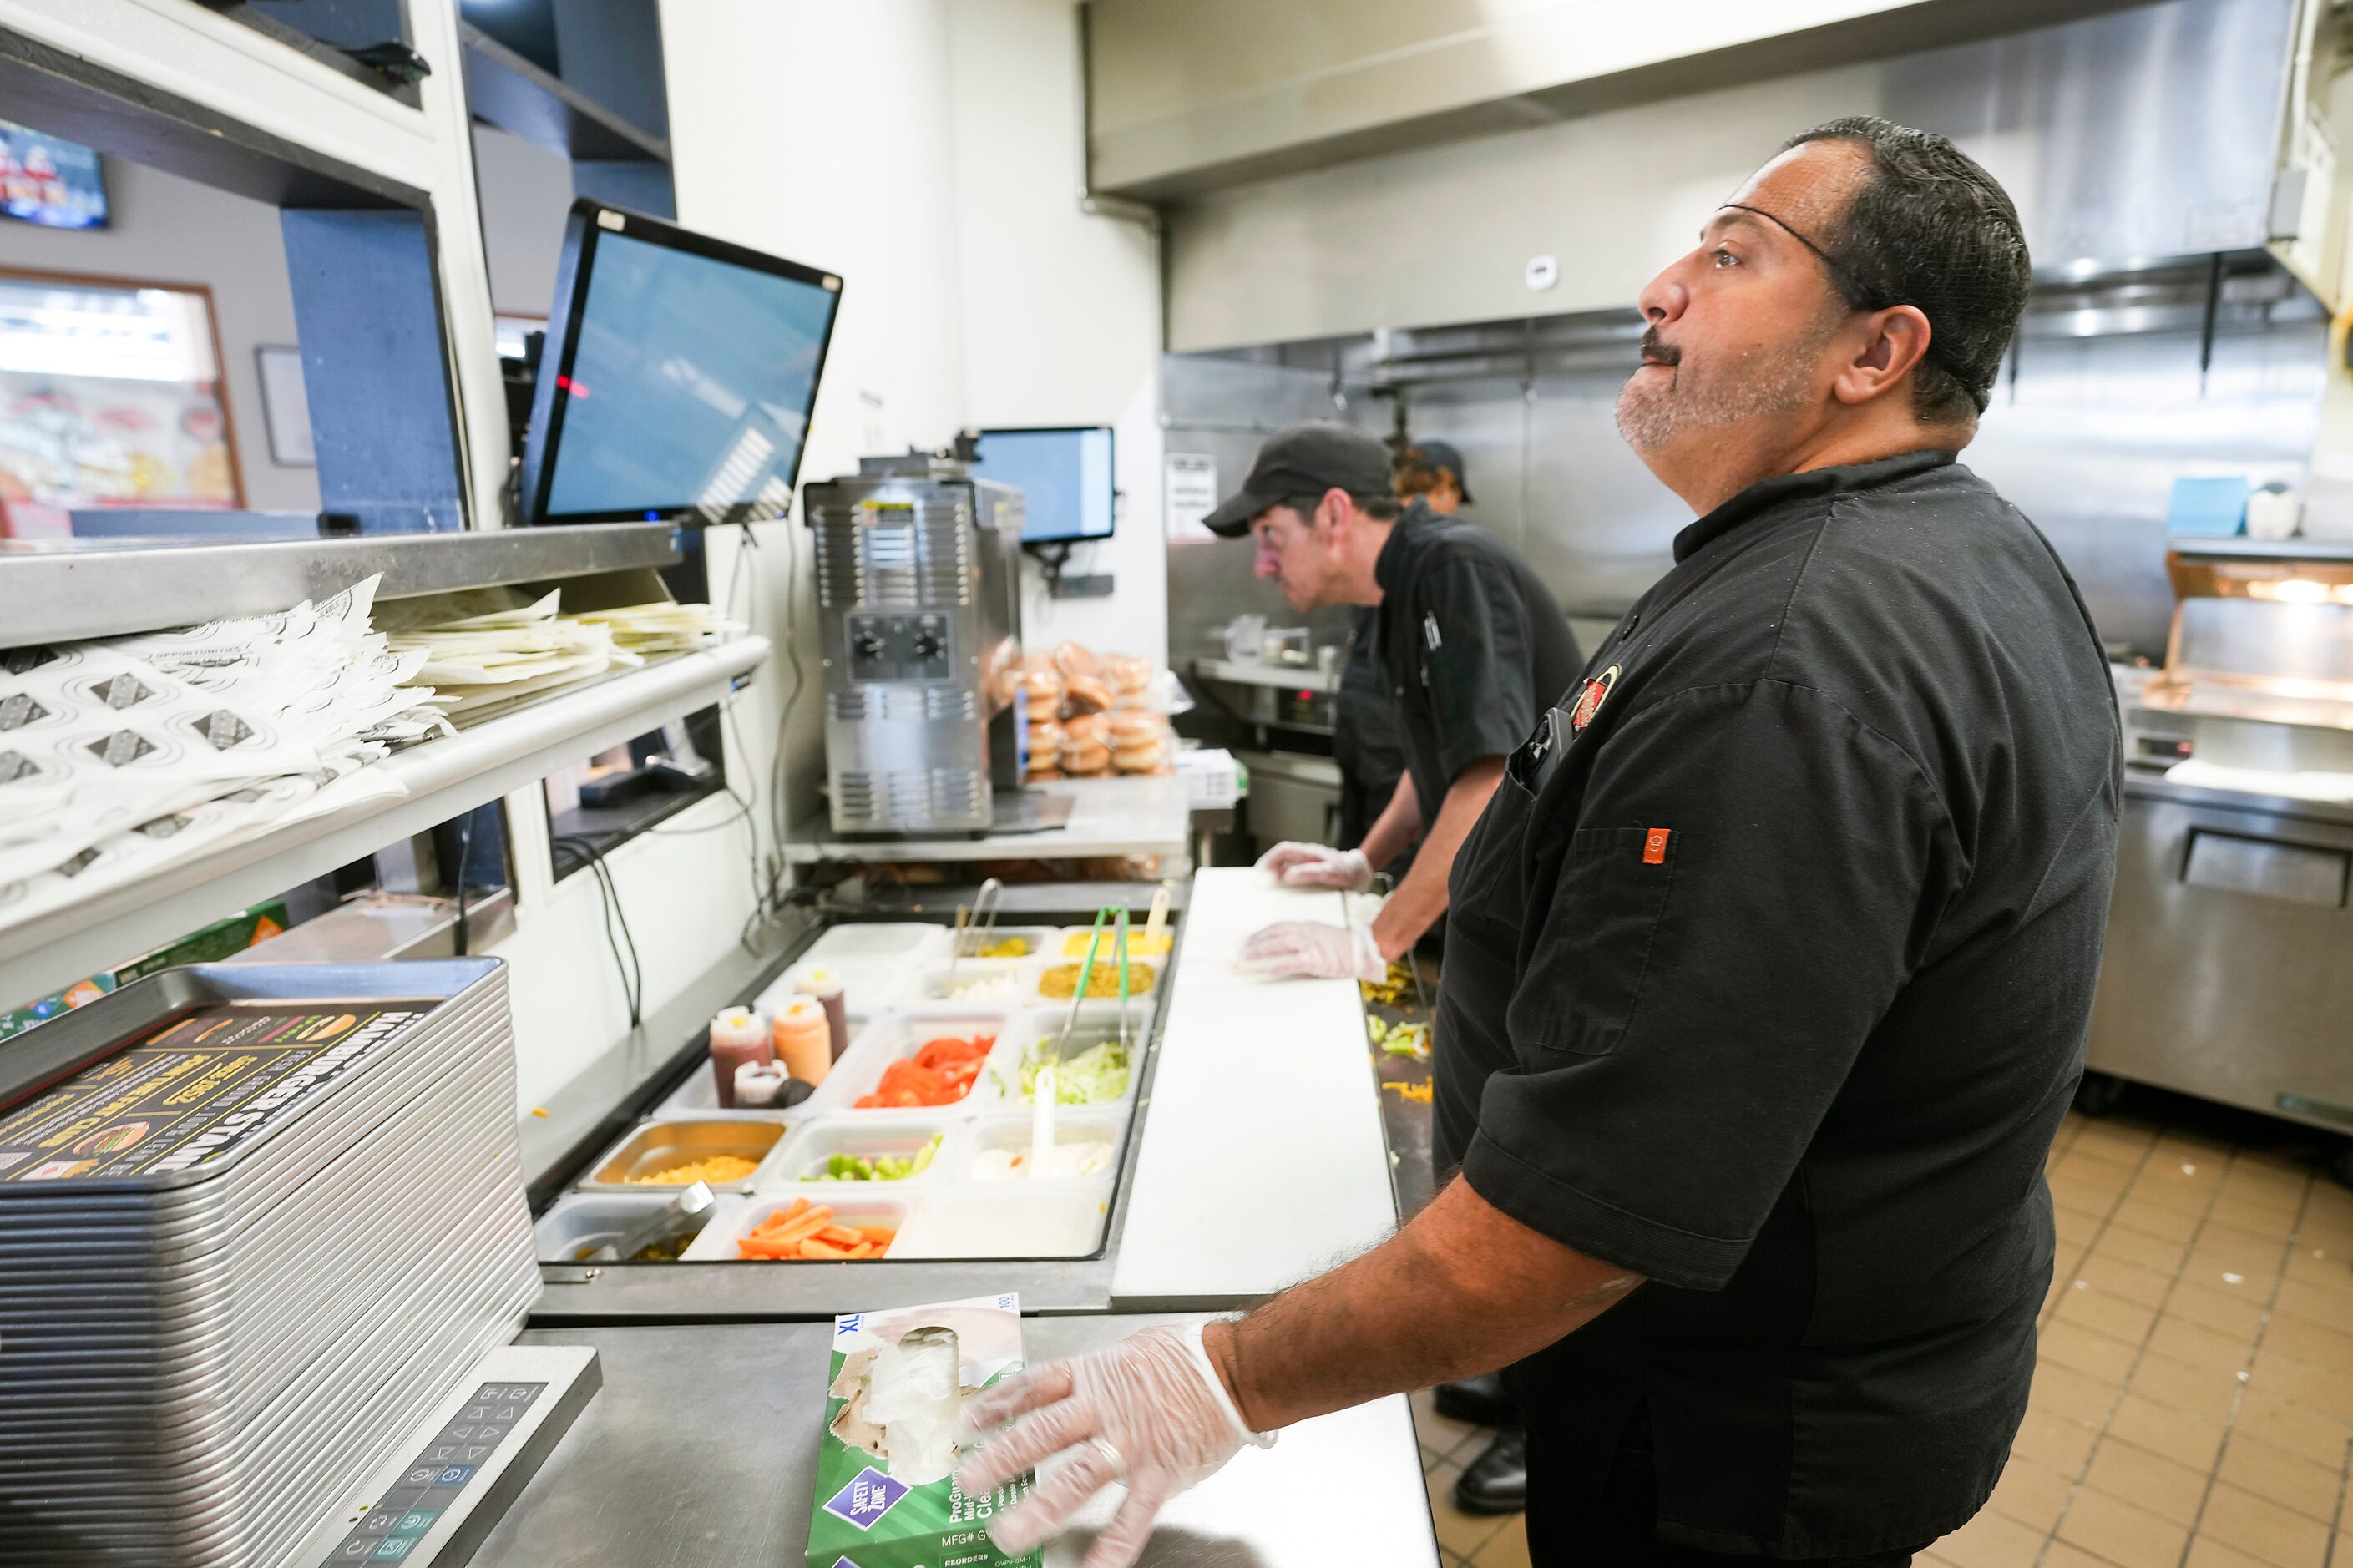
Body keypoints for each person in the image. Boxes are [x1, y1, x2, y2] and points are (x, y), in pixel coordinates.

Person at [954, 115, 2122, 1568]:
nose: (1658, 284)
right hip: (1848, 1353)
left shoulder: (1792, 658)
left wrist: (1227, 1375)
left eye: (1729, 253)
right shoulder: (1926, 549)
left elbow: (1592, 1209)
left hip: (1736, 1428)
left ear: (1872, 352)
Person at [1203, 423, 1581, 980]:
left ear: (1334, 515)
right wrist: (1363, 862)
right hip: (1504, 895)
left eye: (1270, 536)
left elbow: (1487, 780)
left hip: (1554, 906)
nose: (1262, 565)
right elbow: (1439, 755)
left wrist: (1372, 944)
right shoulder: (1396, 588)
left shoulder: (1453, 566)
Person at [1394, 438, 1475, 515]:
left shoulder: (1389, 524)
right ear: (1445, 484)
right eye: (1457, 500)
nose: (1455, 509)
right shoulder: (1443, 527)